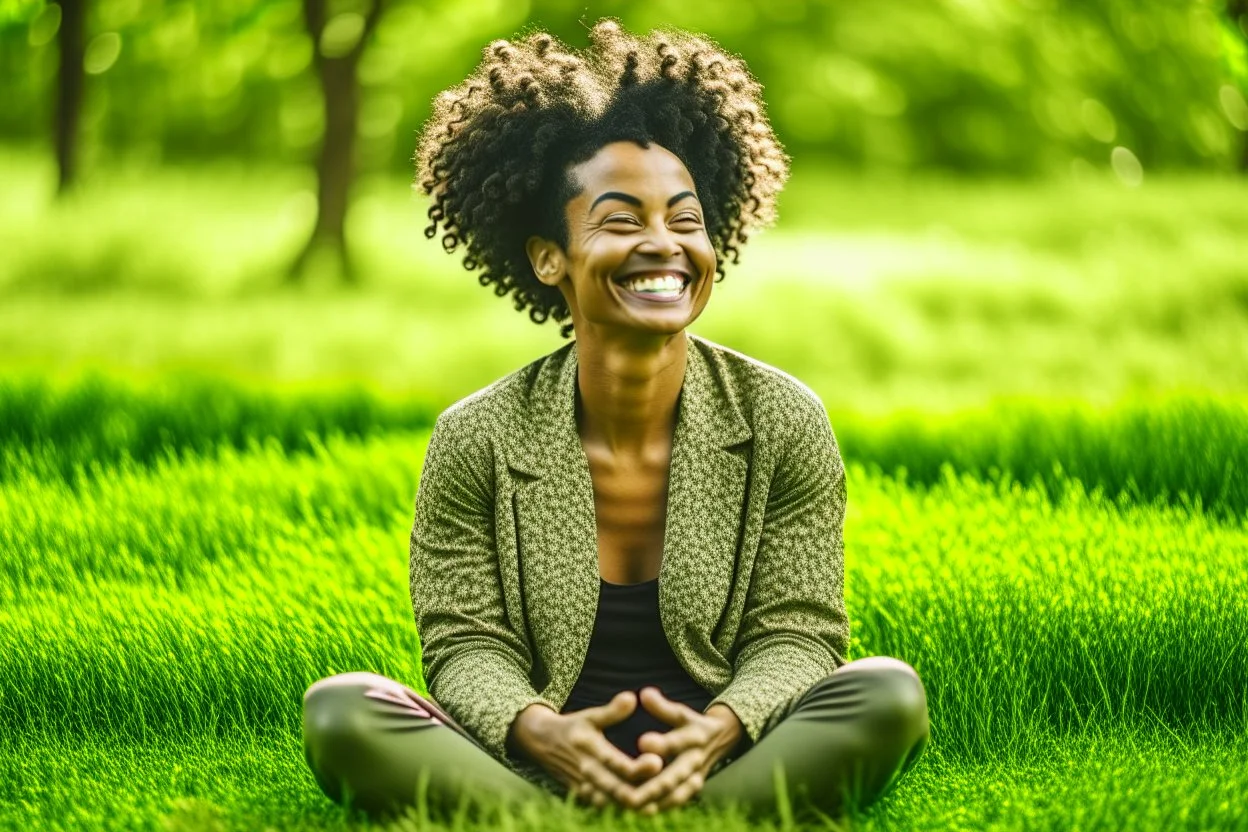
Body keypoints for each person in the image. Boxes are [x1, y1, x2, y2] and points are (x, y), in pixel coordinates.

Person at [302, 18, 929, 823]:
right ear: (548, 256)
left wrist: (716, 733)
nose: (663, 245)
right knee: (343, 711)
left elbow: (799, 633)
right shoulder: (476, 436)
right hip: (535, 766)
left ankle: (694, 814)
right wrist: (543, 734)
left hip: (720, 760)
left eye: (685, 219)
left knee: (886, 692)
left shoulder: (781, 418)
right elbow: (465, 646)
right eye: (622, 221)